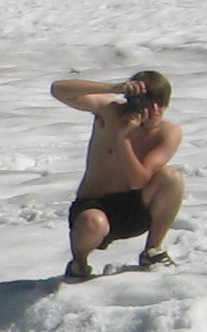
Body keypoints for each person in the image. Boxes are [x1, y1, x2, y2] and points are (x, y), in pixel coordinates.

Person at [50, 70, 183, 280]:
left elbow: (139, 180)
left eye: (161, 105)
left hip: (135, 205)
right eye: (148, 105)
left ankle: (153, 251)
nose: (155, 111)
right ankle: (79, 263)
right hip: (96, 207)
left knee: (171, 177)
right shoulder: (110, 112)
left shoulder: (168, 132)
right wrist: (114, 88)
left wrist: (124, 140)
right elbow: (59, 90)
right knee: (93, 223)